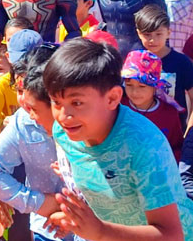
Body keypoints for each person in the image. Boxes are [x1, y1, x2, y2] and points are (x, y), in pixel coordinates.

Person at [44, 38, 193, 240]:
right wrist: (80, 222)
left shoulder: (144, 145)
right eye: (56, 101)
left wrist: (100, 231)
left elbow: (172, 235)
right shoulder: (64, 133)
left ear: (113, 98)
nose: (63, 115)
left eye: (77, 102)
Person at [0, 44, 72, 241]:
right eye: (18, 90)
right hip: (46, 229)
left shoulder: (88, 122)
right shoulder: (24, 120)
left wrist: (72, 212)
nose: (23, 103)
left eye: (28, 91)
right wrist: (39, 203)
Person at [134, 4, 193, 127]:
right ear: (139, 33)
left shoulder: (182, 62)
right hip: (141, 130)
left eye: (158, 34)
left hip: (174, 132)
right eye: (147, 35)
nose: (152, 40)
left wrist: (189, 131)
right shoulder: (135, 61)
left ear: (168, 32)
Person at [121, 50, 184, 159]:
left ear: (155, 86)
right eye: (129, 85)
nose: (135, 92)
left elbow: (176, 148)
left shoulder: (169, 114)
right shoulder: (118, 107)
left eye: (142, 86)